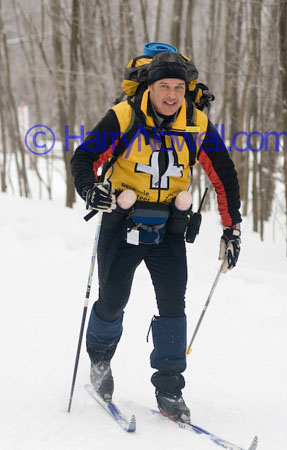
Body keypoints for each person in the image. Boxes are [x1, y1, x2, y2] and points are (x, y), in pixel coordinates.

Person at [71, 50, 241, 423]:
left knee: (172, 307)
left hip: (170, 228)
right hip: (121, 222)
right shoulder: (124, 116)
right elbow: (84, 159)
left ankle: (169, 388)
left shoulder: (197, 124)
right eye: (164, 86)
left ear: (186, 89)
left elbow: (224, 176)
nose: (171, 95)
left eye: (179, 87)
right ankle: (100, 364)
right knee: (112, 302)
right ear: (149, 87)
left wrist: (232, 228)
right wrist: (90, 190)